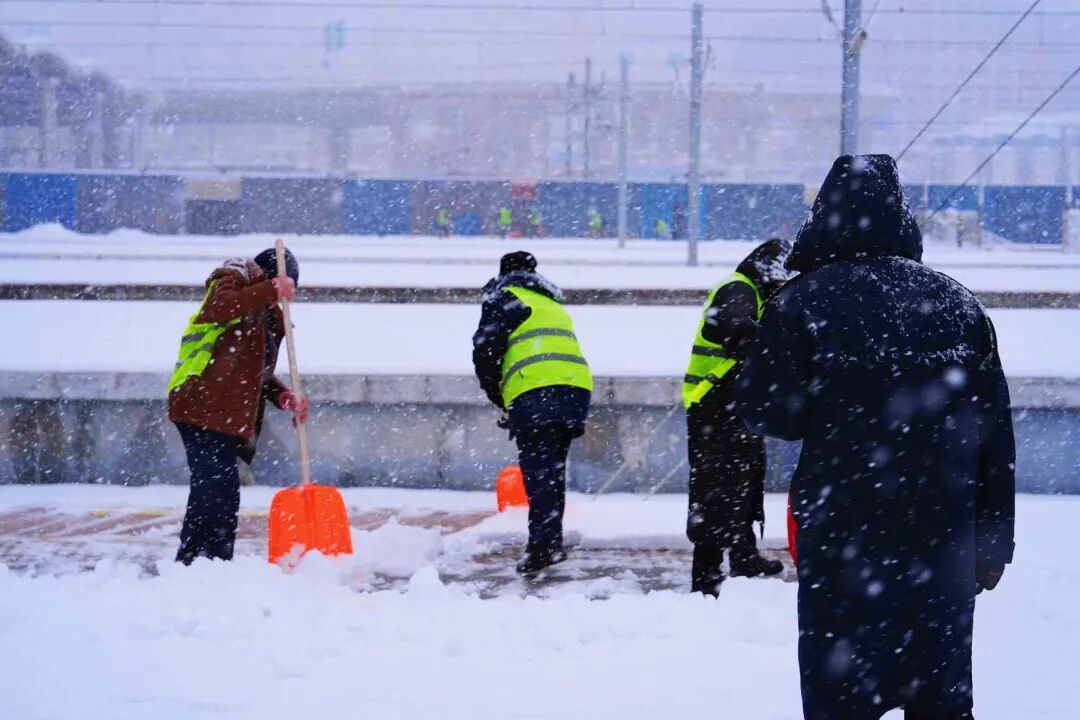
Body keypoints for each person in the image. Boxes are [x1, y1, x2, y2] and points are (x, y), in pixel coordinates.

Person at [736, 155, 1015, 720]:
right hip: (941, 546)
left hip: (843, 545)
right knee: (939, 699)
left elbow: (770, 416)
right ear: (900, 215)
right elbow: (995, 438)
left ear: (825, 217)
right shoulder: (957, 304)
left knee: (840, 697)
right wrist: (992, 543)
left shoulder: (800, 304)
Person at [167, 248, 310, 565]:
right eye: (287, 288)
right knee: (216, 484)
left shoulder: (268, 314)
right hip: (198, 402)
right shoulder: (234, 275)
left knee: (222, 488)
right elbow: (221, 307)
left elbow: (256, 372)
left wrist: (282, 396)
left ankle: (212, 560)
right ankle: (197, 560)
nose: (288, 298)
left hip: (222, 413)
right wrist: (272, 289)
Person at [472, 251, 592, 575]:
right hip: (574, 388)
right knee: (553, 471)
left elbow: (485, 353)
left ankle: (543, 548)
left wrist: (498, 396)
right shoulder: (551, 302)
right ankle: (550, 541)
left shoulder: (505, 299)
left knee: (539, 472)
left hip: (536, 390)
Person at [683, 238, 791, 596]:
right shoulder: (737, 289)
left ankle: (744, 555)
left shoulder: (754, 294)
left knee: (745, 483)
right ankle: (706, 575)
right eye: (778, 282)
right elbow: (740, 335)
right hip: (713, 404)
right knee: (716, 490)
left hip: (735, 406)